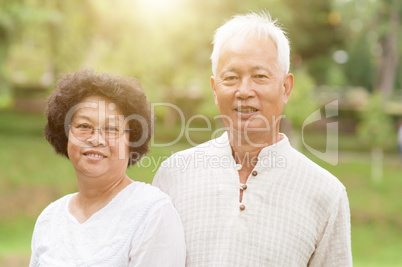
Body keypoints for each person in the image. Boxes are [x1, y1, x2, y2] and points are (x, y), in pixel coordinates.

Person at [152, 11, 352, 266]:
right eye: (231, 78)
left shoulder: (325, 194)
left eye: (259, 76)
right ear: (215, 89)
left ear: (286, 88)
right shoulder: (173, 176)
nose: (244, 91)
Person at [30, 69, 186, 266]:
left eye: (112, 129)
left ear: (133, 139)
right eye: (84, 126)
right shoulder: (50, 219)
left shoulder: (152, 212)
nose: (96, 139)